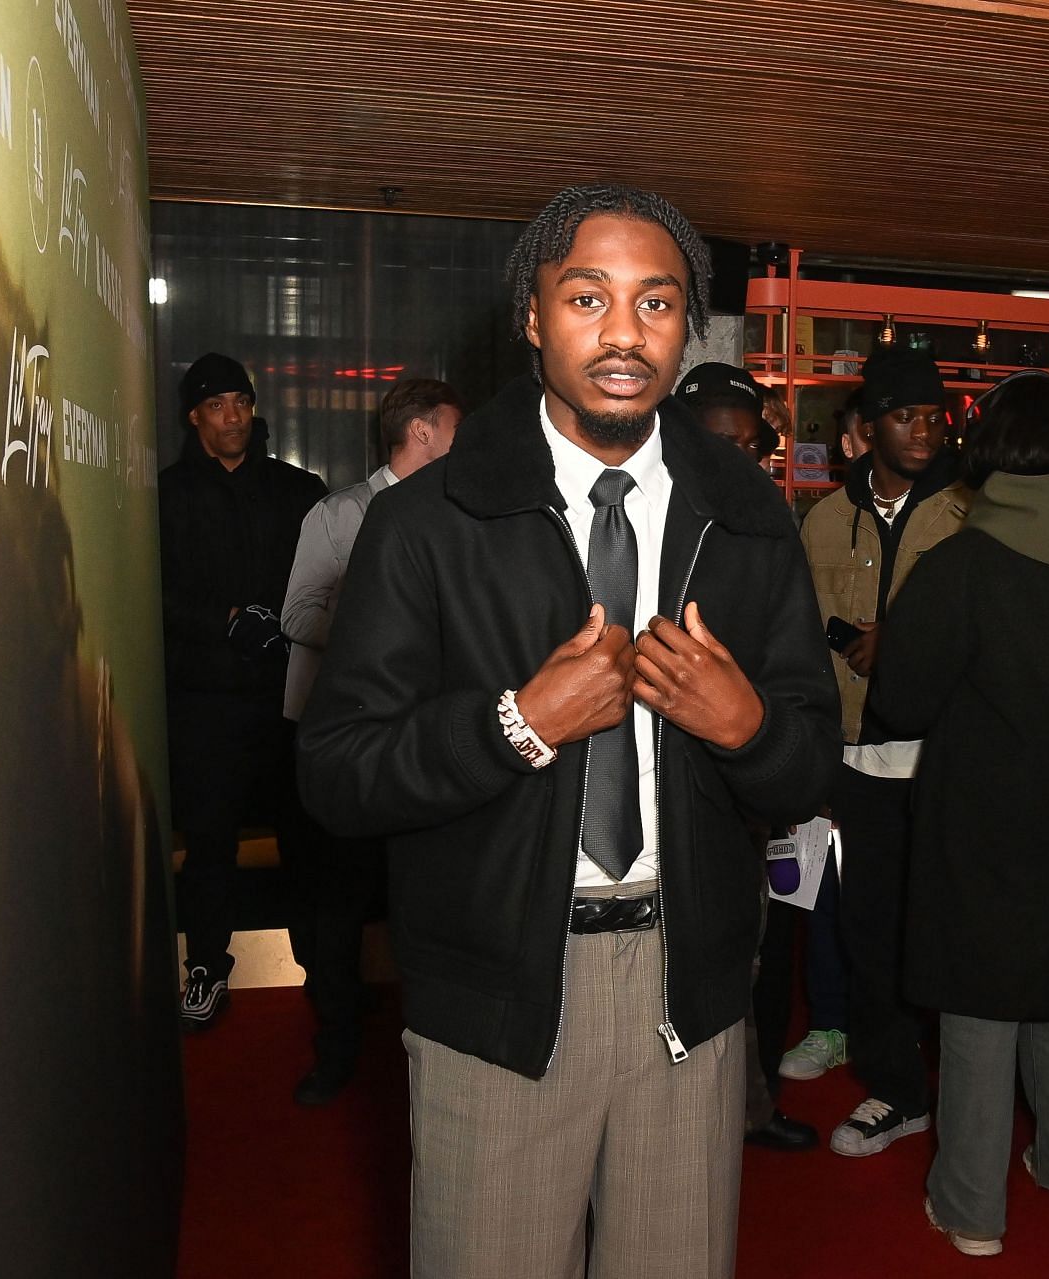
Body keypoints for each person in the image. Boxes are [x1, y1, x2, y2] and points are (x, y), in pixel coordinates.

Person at [296, 184, 837, 1279]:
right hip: (495, 993)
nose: (626, 333)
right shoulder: (425, 522)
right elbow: (338, 774)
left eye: (658, 303)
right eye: (588, 297)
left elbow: (807, 767)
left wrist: (746, 729)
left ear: (689, 328)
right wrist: (514, 724)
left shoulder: (749, 519)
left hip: (689, 984)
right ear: (532, 315)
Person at [871, 369, 1049, 1257]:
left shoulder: (960, 563)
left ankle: (970, 1206)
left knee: (980, 1009)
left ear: (987, 452)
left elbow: (903, 701)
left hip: (988, 821)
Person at [800, 355, 969, 1157]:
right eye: (908, 415)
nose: (926, 429)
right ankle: (896, 1088)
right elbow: (801, 639)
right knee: (869, 935)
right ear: (869, 428)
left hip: (948, 763)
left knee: (949, 934)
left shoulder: (974, 513)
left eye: (936, 415)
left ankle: (968, 1093)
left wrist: (901, 641)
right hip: (858, 761)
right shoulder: (827, 520)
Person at [278, 376, 462, 1102]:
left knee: (418, 899)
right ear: (420, 433)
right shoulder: (342, 512)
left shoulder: (455, 514)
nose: (464, 440)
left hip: (420, 745)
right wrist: (387, 631)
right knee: (338, 906)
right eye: (455, 427)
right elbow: (296, 615)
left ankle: (419, 1053)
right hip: (349, 745)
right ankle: (335, 1052)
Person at [159, 353, 327, 1031]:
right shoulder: (166, 497)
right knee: (209, 845)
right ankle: (206, 968)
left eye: (241, 402)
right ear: (194, 415)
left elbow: (332, 581)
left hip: (289, 699)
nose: (232, 416)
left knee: (309, 842)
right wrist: (225, 621)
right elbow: (151, 589)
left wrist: (291, 625)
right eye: (217, 405)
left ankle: (326, 973)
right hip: (204, 702)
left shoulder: (298, 490)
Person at [674, 360, 816, 1154]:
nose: (735, 458)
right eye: (717, 441)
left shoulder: (769, 526)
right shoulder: (640, 515)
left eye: (749, 444)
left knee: (753, 951)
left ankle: (748, 1106)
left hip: (748, 780)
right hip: (657, 790)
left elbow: (796, 681)